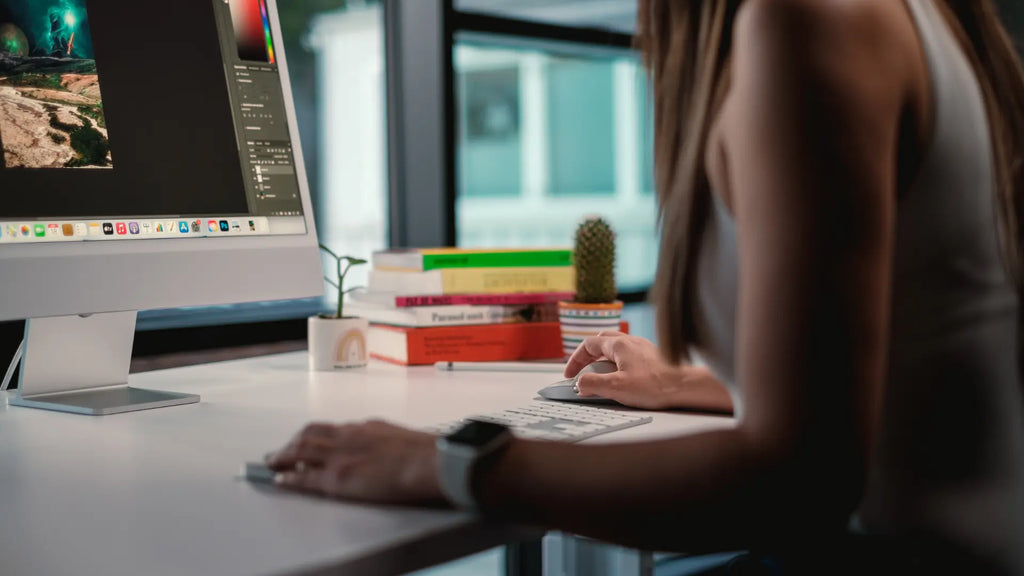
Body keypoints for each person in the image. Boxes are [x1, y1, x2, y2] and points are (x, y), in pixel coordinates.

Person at [266, 0, 1024, 573]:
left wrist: (449, 462)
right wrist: (708, 383)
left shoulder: (810, 21)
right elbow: (912, 371)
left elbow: (800, 480)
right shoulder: (911, 19)